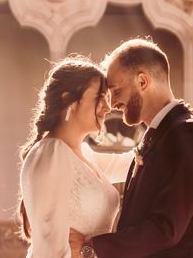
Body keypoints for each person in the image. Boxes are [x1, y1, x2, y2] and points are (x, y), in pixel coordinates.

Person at [72, 38, 193, 258]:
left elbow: (165, 229)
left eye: (116, 90)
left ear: (142, 82)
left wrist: (90, 248)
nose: (112, 103)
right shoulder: (160, 134)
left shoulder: (188, 135)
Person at [18, 56, 133, 257]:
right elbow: (53, 250)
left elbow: (131, 163)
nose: (107, 107)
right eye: (99, 97)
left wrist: (167, 125)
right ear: (67, 99)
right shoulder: (51, 154)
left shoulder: (85, 154)